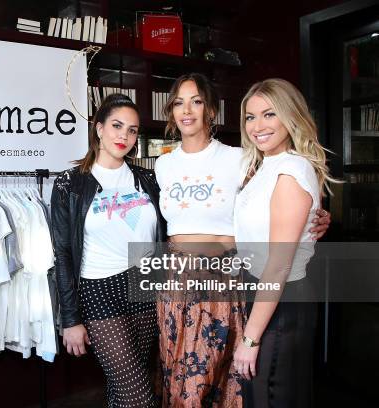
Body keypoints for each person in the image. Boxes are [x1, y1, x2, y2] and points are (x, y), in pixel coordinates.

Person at [154, 73, 331, 407]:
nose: (187, 110)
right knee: (184, 381)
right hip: (179, 279)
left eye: (196, 100)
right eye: (178, 102)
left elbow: (286, 205)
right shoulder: (163, 165)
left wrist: (316, 219)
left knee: (233, 381)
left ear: (211, 110)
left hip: (229, 277)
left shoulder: (243, 159)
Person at [51, 93, 165, 407]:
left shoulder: (148, 179)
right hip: (98, 290)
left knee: (124, 388)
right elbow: (63, 254)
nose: (124, 136)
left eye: (131, 130)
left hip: (144, 286)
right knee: (138, 395)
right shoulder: (70, 184)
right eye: (117, 125)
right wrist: (70, 319)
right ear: (99, 128)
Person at [233, 78, 337, 407]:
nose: (258, 126)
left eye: (269, 114)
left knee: (271, 396)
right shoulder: (264, 165)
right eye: (250, 117)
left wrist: (250, 339)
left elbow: (278, 265)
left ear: (290, 116)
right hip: (266, 294)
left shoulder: (289, 170)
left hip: (282, 299)